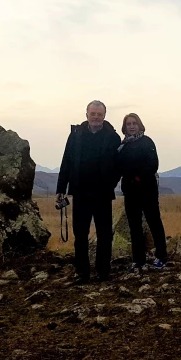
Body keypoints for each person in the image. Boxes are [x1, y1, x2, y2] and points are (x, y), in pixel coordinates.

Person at [56, 100, 121, 284]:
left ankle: (103, 272)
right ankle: (82, 272)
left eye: (99, 114)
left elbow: (118, 166)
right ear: (86, 114)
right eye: (93, 113)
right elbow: (66, 162)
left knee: (105, 234)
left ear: (104, 116)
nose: (96, 117)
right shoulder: (75, 135)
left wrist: (111, 183)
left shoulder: (113, 137)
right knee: (80, 234)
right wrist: (61, 189)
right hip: (81, 193)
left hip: (103, 194)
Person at [116, 113, 168, 271]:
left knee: (154, 222)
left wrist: (137, 178)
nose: (131, 126)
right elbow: (119, 167)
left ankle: (161, 256)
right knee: (134, 226)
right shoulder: (122, 146)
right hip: (130, 192)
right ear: (124, 127)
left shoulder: (147, 142)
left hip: (147, 190)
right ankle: (138, 260)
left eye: (134, 123)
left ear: (140, 125)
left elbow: (153, 164)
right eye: (128, 124)